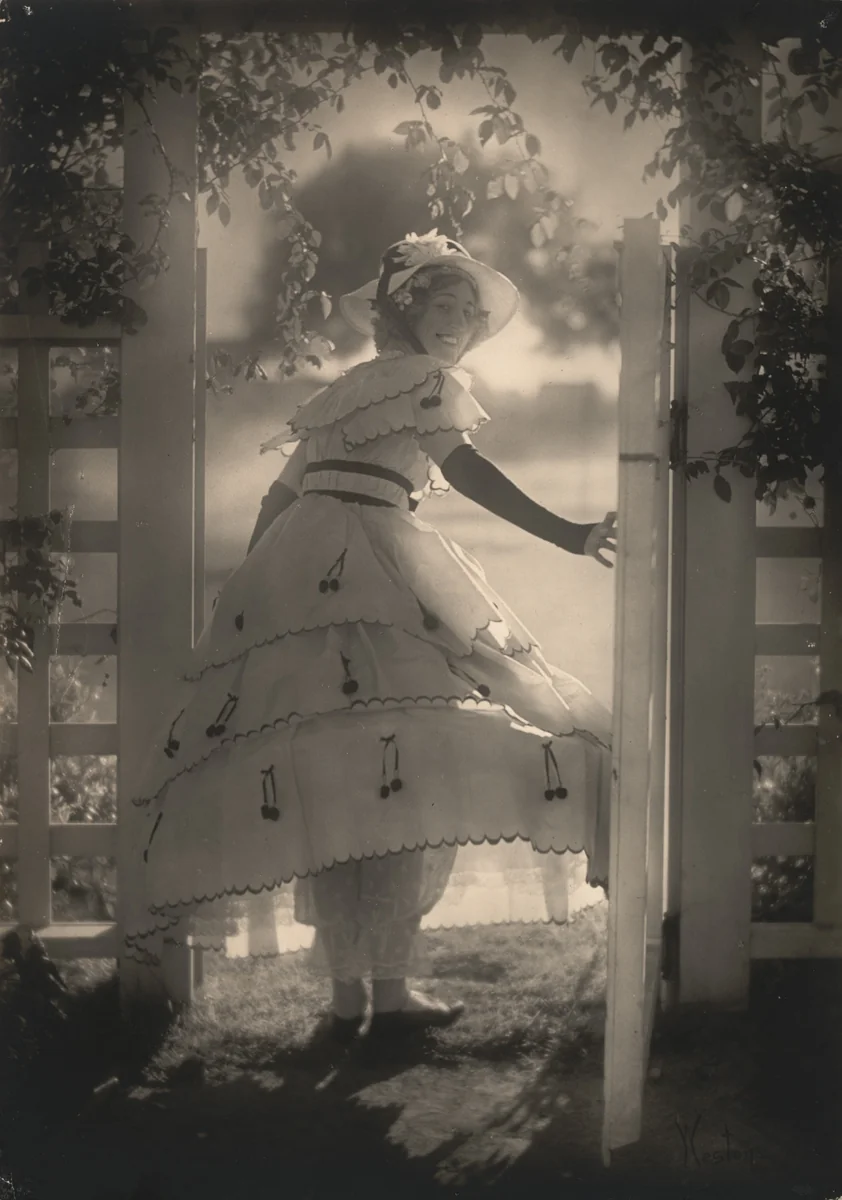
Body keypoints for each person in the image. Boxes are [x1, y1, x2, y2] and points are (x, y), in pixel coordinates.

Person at [125, 231, 616, 1041]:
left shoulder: (339, 394)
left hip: (310, 571)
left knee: (345, 767)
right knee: (388, 769)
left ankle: (364, 993)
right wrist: (568, 533)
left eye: (467, 312)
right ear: (402, 312)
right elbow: (461, 472)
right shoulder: (426, 383)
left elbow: (279, 508)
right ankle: (365, 994)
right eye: (440, 306)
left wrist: (254, 589)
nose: (456, 323)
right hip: (375, 574)